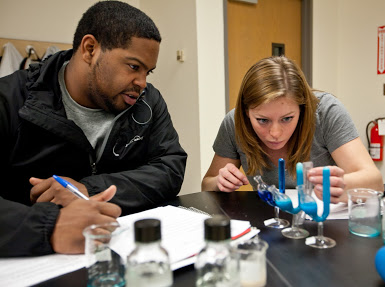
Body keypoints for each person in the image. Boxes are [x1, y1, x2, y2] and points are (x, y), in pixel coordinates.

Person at [0, 1, 187, 256]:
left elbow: (170, 167)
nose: (142, 83)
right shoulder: (10, 100)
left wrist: (88, 189)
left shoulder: (148, 102)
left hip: (123, 253)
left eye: (148, 72)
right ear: (90, 49)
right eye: (133, 67)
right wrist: (48, 226)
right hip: (34, 260)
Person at [202, 56, 383, 203]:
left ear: (302, 108)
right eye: (262, 120)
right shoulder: (234, 123)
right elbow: (206, 184)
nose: (275, 133)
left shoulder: (327, 112)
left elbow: (375, 182)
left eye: (287, 118)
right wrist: (219, 183)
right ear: (246, 112)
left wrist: (342, 185)